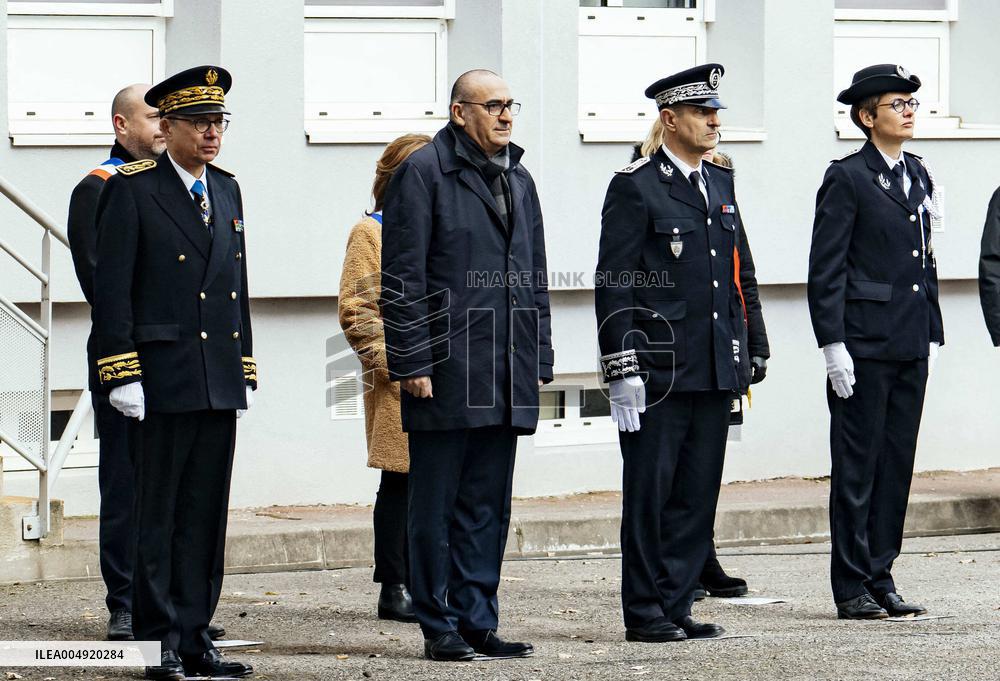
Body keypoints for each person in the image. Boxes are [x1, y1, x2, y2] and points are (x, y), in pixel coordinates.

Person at [380, 69, 553, 662]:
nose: (506, 115)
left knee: (487, 503)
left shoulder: (520, 178)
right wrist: (412, 359)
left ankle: (479, 618)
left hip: (504, 369)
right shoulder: (424, 172)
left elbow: (534, 278)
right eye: (493, 105)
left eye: (512, 104)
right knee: (436, 504)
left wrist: (539, 358)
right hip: (447, 368)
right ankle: (439, 623)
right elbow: (402, 276)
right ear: (460, 113)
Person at [92, 66, 256, 680]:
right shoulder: (132, 189)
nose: (212, 134)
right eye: (199, 124)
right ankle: (156, 638)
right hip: (159, 377)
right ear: (169, 127)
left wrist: (243, 364)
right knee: (155, 514)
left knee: (204, 515)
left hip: (214, 376)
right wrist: (121, 372)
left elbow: (235, 286)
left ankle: (195, 636)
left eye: (219, 123)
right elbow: (113, 292)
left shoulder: (230, 190)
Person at [595, 63, 767, 643]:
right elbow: (614, 281)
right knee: (652, 493)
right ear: (670, 119)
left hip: (714, 362)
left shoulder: (719, 182)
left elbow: (736, 273)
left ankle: (677, 602)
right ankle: (644, 611)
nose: (714, 121)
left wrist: (751, 345)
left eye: (716, 112)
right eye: (701, 112)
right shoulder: (636, 184)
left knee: (697, 490)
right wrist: (621, 368)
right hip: (660, 368)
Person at [807, 64, 943, 620]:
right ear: (867, 117)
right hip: (863, 345)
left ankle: (883, 573)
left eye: (912, 103)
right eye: (896, 104)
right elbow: (827, 267)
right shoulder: (848, 176)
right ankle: (851, 585)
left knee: (897, 464)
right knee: (858, 466)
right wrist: (832, 345)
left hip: (909, 339)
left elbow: (926, 259)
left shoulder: (919, 172)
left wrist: (931, 326)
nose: (909, 111)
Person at [67, 83, 163, 642]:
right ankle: (124, 601)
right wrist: (126, 363)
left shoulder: (176, 184)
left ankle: (171, 603)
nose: (161, 125)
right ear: (121, 125)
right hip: (124, 352)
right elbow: (100, 281)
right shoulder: (100, 186)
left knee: (172, 485)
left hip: (178, 359)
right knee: (126, 483)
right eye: (152, 116)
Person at [338, 133, 431, 624]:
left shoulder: (443, 223)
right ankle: (394, 586)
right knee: (400, 481)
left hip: (450, 376)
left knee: (438, 484)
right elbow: (357, 308)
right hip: (399, 379)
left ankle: (433, 580)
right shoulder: (371, 231)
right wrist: (397, 366)